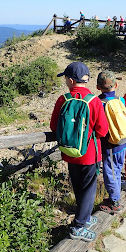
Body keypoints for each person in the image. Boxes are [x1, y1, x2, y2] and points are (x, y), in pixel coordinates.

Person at [50, 62, 109, 241]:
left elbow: (54, 126)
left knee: (78, 186)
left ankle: (80, 221)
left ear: (70, 79)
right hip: (89, 153)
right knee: (88, 189)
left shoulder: (63, 99)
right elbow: (102, 131)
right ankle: (79, 225)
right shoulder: (94, 101)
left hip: (69, 152)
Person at [96, 71, 126, 213]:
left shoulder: (99, 103)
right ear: (116, 85)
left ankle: (115, 202)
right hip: (123, 141)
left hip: (110, 145)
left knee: (110, 172)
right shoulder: (120, 100)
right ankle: (114, 195)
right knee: (118, 169)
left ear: (98, 87)